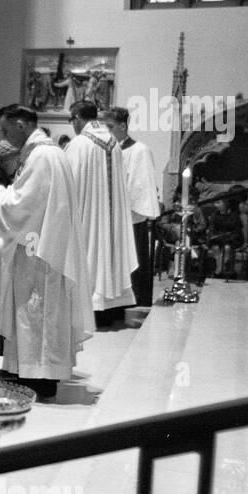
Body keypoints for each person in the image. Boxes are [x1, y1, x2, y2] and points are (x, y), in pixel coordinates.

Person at [0, 103, 94, 400]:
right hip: (43, 246)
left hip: (40, 253)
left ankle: (40, 377)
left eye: (6, 128)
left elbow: (21, 207)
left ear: (22, 124)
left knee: (36, 312)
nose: (4, 135)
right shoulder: (46, 153)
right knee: (33, 314)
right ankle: (26, 369)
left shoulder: (42, 156)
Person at [64, 100, 136, 326]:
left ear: (77, 118)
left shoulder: (79, 144)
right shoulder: (114, 141)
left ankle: (89, 310)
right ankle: (110, 310)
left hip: (87, 214)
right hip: (111, 216)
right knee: (109, 251)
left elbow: (68, 182)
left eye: (70, 120)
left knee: (89, 252)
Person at [108, 106, 160, 306]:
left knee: (133, 262)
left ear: (123, 126)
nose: (107, 131)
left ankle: (136, 303)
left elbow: (140, 186)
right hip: (110, 218)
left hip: (130, 218)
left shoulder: (139, 150)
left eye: (110, 127)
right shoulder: (108, 149)